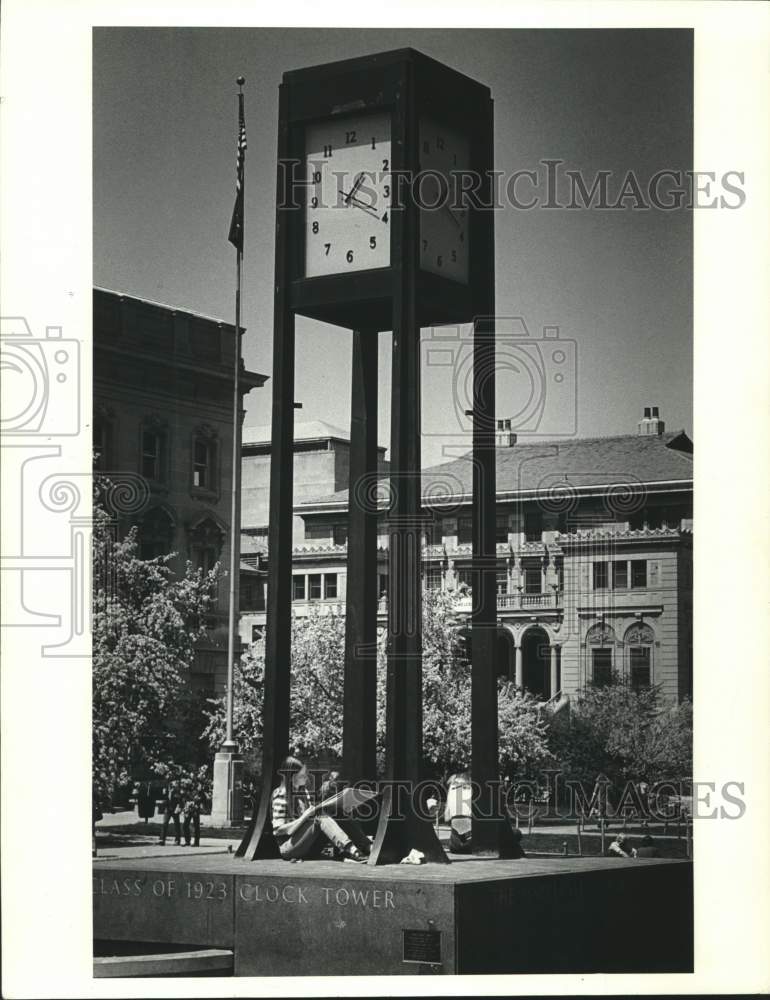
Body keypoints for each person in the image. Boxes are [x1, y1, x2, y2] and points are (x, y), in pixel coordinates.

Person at [271, 756, 369, 862]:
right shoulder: (281, 795)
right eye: (302, 775)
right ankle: (352, 850)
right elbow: (278, 830)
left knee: (335, 811)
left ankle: (366, 846)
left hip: (309, 845)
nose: (306, 777)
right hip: (289, 848)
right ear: (291, 777)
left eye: (306, 774)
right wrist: (305, 816)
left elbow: (309, 824)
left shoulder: (303, 792)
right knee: (319, 817)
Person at [182, 776, 205, 847]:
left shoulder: (199, 788)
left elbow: (203, 797)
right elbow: (184, 796)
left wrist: (198, 801)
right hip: (188, 807)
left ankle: (196, 842)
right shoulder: (187, 788)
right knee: (185, 825)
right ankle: (187, 841)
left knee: (196, 825)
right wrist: (186, 803)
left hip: (195, 808)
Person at [159, 778, 182, 846]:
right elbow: (164, 798)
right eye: (172, 783)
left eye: (174, 783)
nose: (173, 784)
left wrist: (178, 807)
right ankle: (162, 839)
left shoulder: (178, 790)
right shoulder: (166, 789)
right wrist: (164, 794)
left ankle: (177, 840)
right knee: (165, 823)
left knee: (176, 824)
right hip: (168, 808)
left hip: (175, 808)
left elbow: (179, 800)